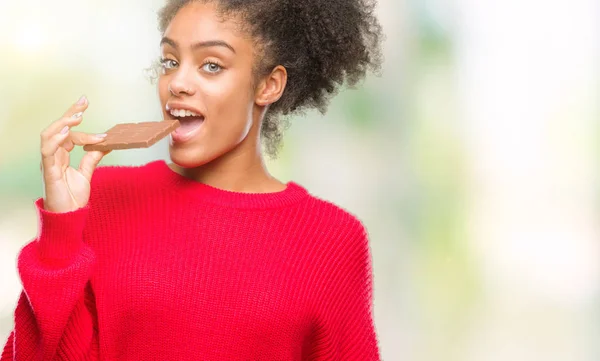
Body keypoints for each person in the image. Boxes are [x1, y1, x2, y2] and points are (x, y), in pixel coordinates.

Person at [1, 0, 383, 359]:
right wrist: (61, 231)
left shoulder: (332, 240)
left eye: (211, 65)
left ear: (269, 85)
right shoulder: (102, 198)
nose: (177, 83)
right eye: (170, 61)